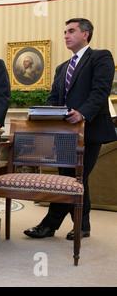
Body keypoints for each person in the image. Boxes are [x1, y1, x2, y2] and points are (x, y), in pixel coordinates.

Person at [24, 18, 116, 240]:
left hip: (90, 131)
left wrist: (82, 113)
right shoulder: (61, 67)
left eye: (71, 31)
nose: (65, 35)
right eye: (64, 31)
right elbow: (55, 98)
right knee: (72, 179)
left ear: (85, 34)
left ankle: (49, 225)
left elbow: (100, 91)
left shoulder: (101, 57)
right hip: (63, 133)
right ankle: (82, 226)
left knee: (74, 178)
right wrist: (42, 113)